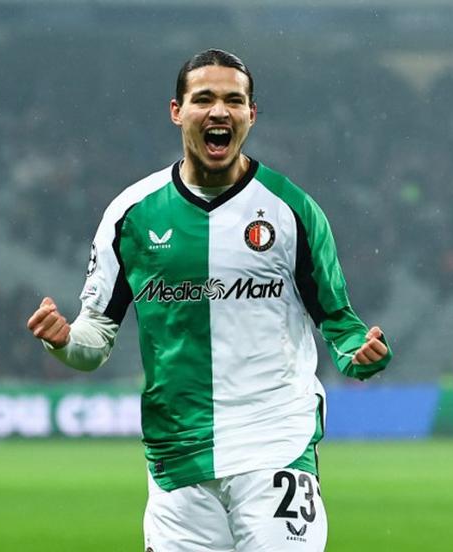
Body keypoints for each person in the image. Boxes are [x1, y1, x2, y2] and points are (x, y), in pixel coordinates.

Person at [27, 48, 392, 552]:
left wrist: (360, 355)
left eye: (233, 100)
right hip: (178, 459)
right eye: (204, 99)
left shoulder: (293, 212)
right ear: (177, 111)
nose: (219, 111)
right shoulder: (130, 215)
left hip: (275, 445)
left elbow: (339, 321)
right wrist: (65, 341)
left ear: (250, 114)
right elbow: (95, 339)